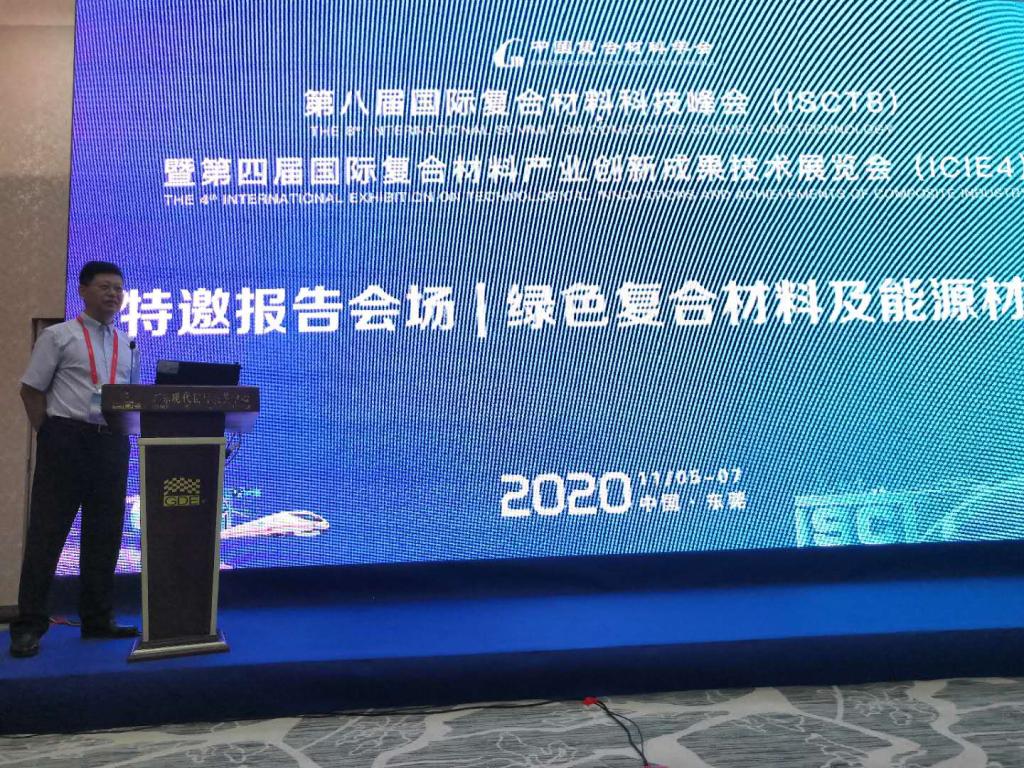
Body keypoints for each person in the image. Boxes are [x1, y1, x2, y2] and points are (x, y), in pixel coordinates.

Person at [9, 261, 140, 658]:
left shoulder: (127, 344)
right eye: (104, 287)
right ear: (82, 290)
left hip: (111, 443)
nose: (113, 294)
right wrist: (48, 434)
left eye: (118, 288)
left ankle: (97, 619)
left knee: (105, 535)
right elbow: (31, 389)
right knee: (47, 536)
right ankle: (28, 627)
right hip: (66, 440)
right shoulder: (59, 336)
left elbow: (130, 397)